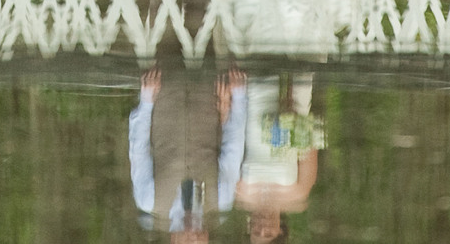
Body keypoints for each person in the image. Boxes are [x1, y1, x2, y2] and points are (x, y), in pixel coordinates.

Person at [127, 64, 247, 238]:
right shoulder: (222, 200)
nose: (193, 239)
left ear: (174, 241)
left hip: (163, 96)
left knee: (163, 57)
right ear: (206, 239)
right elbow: (233, 148)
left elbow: (139, 150)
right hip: (209, 96)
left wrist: (146, 101)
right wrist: (238, 96)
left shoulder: (149, 202)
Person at [232, 72, 325, 241]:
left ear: (248, 229)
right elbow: (311, 148)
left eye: (256, 232)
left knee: (261, 72)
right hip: (296, 110)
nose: (262, 228)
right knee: (303, 71)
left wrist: (235, 96)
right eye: (268, 234)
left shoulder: (239, 195)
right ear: (280, 231)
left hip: (255, 104)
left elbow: (233, 144)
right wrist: (294, 118)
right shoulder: (298, 198)